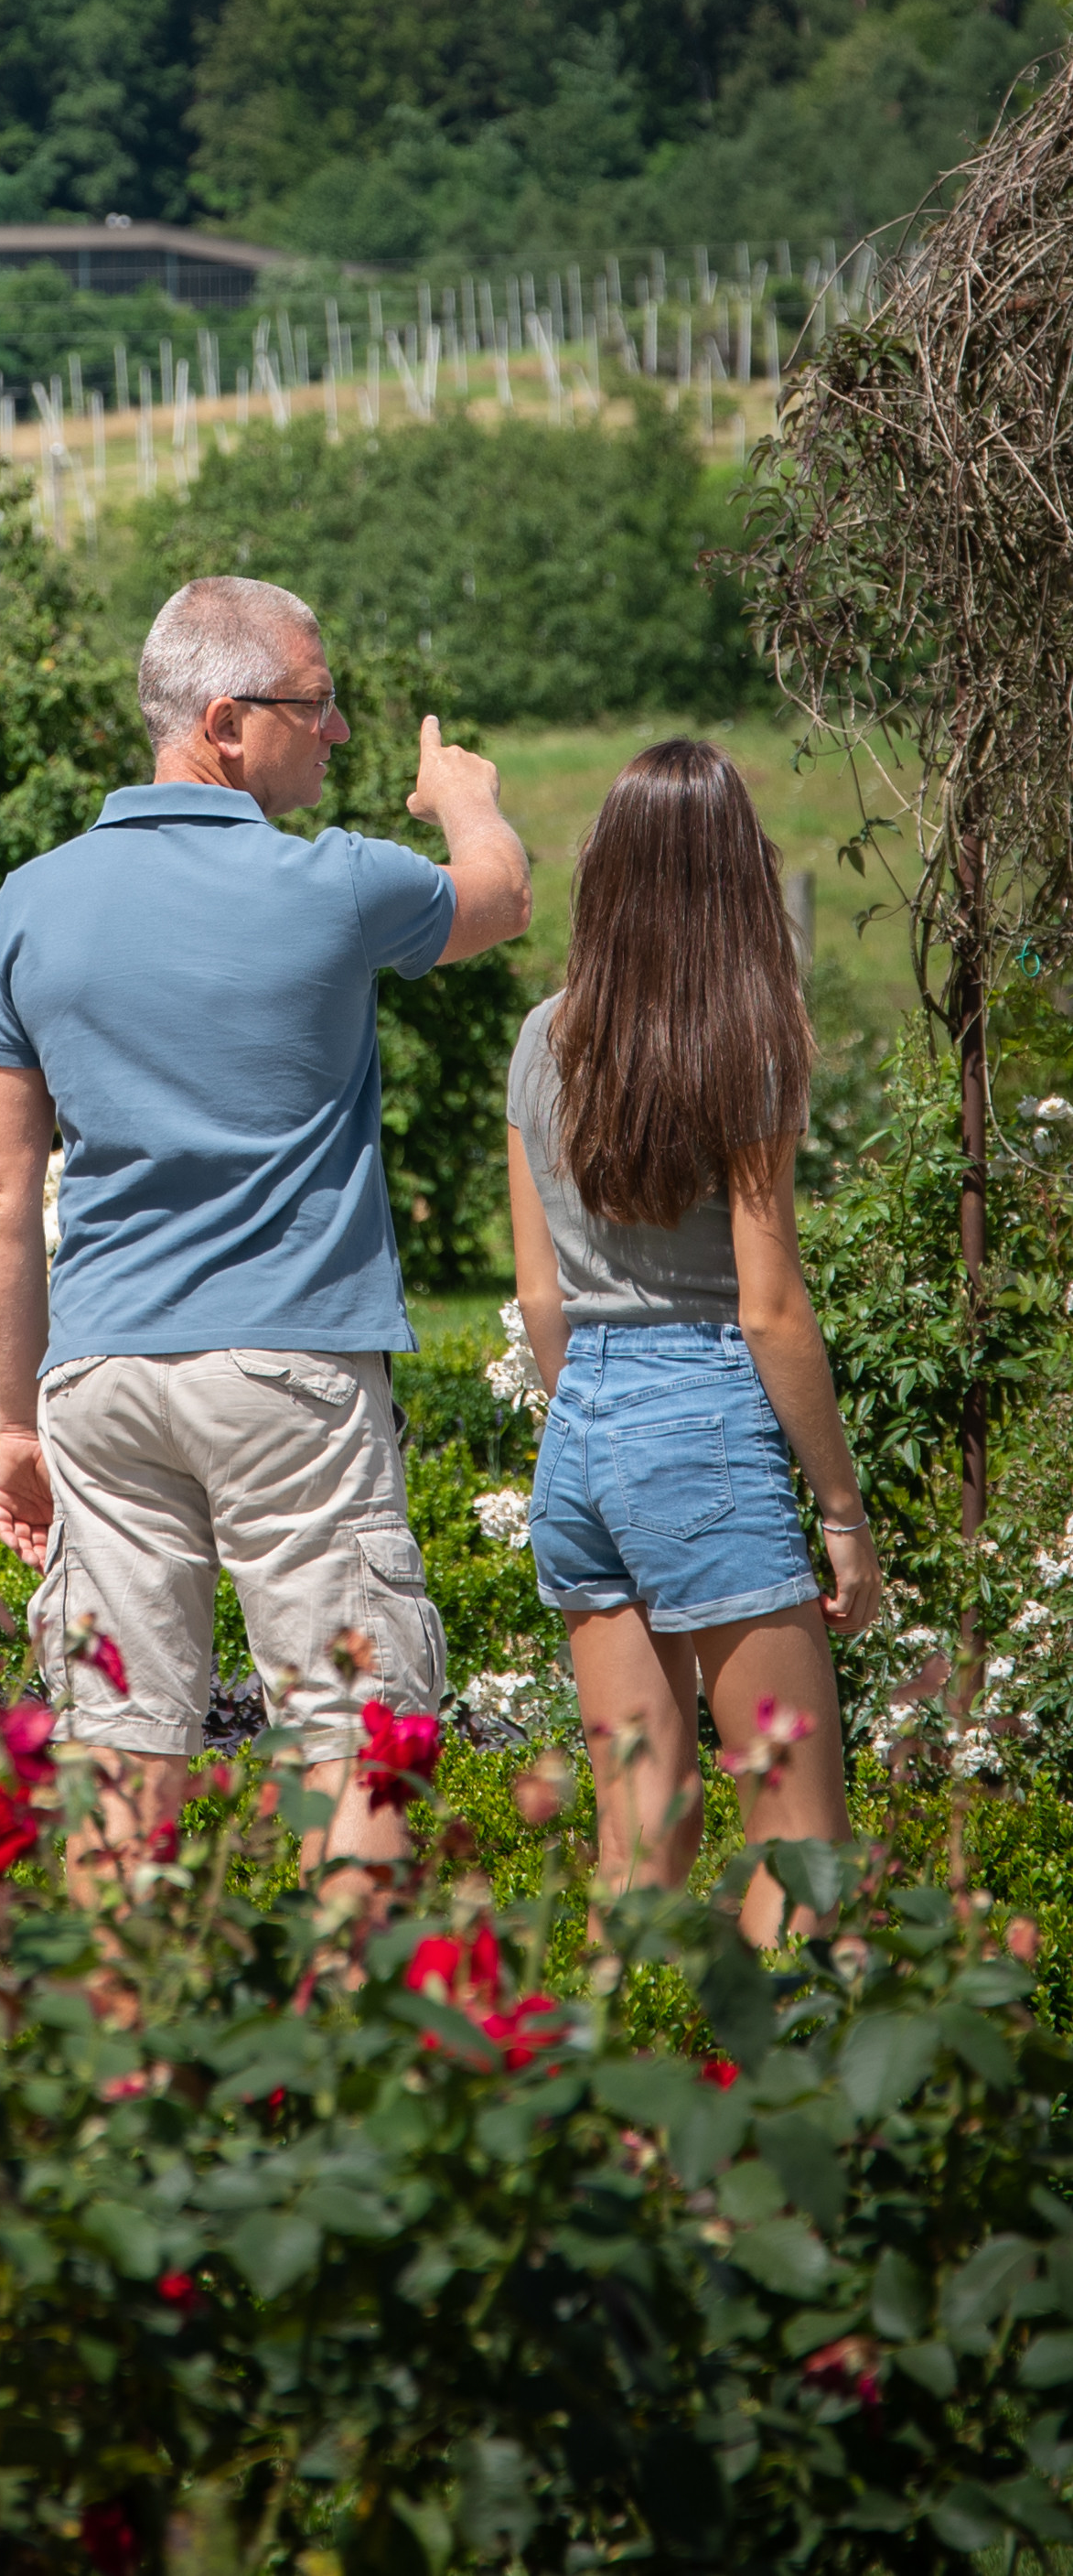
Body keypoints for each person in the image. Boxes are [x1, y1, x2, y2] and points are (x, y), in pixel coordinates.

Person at [0, 574, 531, 1876]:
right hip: (292, 1370)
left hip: (101, 1383)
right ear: (225, 720)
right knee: (358, 1743)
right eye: (315, 704)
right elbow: (499, 900)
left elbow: (1, 1190)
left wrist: (13, 1419)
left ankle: (121, 2063)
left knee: (118, 1749)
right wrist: (466, 797)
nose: (334, 732)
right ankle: (350, 2052)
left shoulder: (30, 901)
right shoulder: (333, 880)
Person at [509, 738, 880, 1941]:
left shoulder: (541, 1037)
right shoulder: (751, 1042)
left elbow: (541, 1300)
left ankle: (627, 2090)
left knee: (637, 1835)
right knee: (800, 1844)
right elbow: (771, 1306)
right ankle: (796, 2107)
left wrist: (604, 1426)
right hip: (705, 1422)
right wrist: (841, 1511)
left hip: (578, 1441)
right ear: (740, 874)